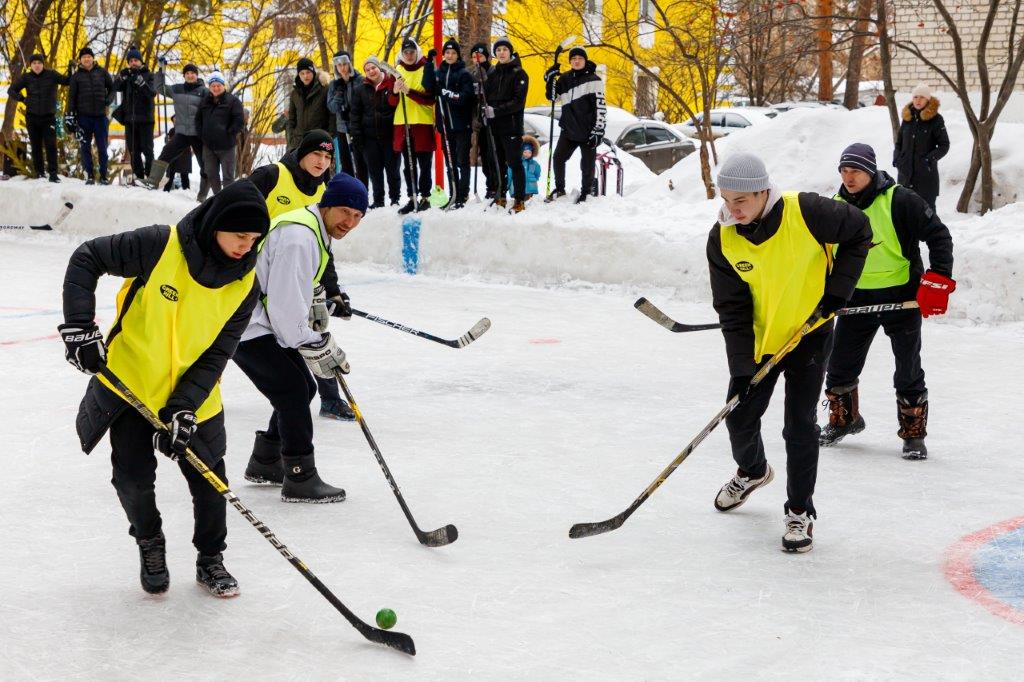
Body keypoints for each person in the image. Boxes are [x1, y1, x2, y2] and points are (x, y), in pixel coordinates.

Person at [58, 180, 270, 596]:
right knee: (132, 481)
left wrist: (185, 406)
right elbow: (87, 258)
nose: (247, 246)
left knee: (211, 483)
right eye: (240, 236)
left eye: (255, 239)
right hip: (131, 385)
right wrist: (79, 329)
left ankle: (211, 558)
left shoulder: (246, 284)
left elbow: (217, 353)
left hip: (198, 398)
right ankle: (149, 541)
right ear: (215, 228)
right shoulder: (160, 244)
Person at [706, 152, 872, 553]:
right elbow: (732, 309)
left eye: (741, 200)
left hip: (809, 335)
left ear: (764, 192)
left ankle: (800, 510)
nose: (733, 209)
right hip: (762, 341)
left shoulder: (808, 211)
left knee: (799, 427)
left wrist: (837, 292)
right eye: (726, 200)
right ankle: (753, 471)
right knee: (740, 418)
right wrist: (742, 368)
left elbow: (860, 231)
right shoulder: (722, 238)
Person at [233, 172, 368, 502]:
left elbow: (295, 286)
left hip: (261, 320)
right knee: (293, 391)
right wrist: (315, 343)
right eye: (345, 212)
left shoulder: (312, 228)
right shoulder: (299, 237)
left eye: (358, 216)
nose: (349, 222)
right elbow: (284, 310)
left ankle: (266, 462)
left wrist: (317, 298)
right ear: (328, 204)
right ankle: (300, 476)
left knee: (302, 388)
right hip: (246, 324)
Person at [821, 143, 955, 460]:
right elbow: (821, 255)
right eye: (843, 170)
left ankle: (913, 434)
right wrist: (823, 292)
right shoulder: (835, 206)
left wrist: (938, 278)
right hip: (856, 299)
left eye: (855, 170)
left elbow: (939, 235)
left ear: (870, 171)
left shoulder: (900, 199)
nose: (848, 177)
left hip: (902, 297)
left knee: (908, 369)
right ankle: (845, 420)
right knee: (839, 366)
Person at [248, 129, 357, 421]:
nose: (322, 162)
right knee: (238, 338)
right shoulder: (273, 176)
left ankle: (331, 399)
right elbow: (236, 206)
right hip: (257, 268)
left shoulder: (326, 192)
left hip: (296, 269)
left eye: (327, 157)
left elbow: (324, 248)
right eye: (316, 154)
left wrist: (331, 289)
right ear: (301, 154)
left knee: (313, 321)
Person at [544, 46, 606, 204]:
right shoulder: (564, 79)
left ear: (585, 60)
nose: (576, 61)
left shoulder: (594, 80)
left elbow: (600, 107)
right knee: (558, 158)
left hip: (588, 130)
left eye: (579, 58)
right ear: (570, 61)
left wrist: (598, 130)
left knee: (587, 164)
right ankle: (559, 189)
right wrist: (549, 79)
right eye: (573, 59)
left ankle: (586, 193)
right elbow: (552, 97)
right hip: (568, 129)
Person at [423, 39, 475, 209]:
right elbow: (428, 85)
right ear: (443, 55)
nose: (450, 55)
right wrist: (429, 65)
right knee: (450, 161)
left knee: (462, 160)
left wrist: (446, 93)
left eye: (453, 53)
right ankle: (454, 192)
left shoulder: (464, 74)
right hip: (445, 125)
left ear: (458, 55)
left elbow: (464, 97)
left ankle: (463, 193)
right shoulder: (439, 72)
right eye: (447, 53)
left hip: (461, 125)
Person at [7, 53, 71, 182]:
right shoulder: (26, 77)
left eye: (39, 63)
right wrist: (22, 99)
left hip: (49, 117)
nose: (37, 65)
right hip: (32, 117)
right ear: (31, 65)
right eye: (34, 63)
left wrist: (71, 70)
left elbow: (67, 81)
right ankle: (40, 173)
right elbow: (11, 90)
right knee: (36, 146)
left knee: (51, 145)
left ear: (43, 64)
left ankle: (53, 174)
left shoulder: (52, 75)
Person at [390, 38, 436, 214]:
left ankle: (425, 197)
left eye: (412, 52)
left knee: (424, 164)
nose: (409, 55)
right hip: (403, 122)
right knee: (408, 165)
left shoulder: (425, 68)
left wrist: (409, 92)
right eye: (406, 52)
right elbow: (391, 101)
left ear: (417, 52)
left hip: (421, 122)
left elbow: (430, 98)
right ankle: (412, 197)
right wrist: (395, 91)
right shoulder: (397, 70)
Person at [483, 37, 529, 212]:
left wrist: (497, 111)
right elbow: (487, 97)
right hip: (494, 126)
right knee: (497, 163)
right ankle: (500, 195)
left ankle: (519, 198)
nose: (501, 53)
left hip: (511, 126)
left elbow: (518, 101)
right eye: (498, 50)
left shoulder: (519, 73)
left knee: (514, 163)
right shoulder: (493, 74)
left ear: (510, 52)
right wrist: (485, 111)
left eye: (504, 49)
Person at [145, 63, 207, 193]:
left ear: (197, 75)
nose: (190, 75)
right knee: (166, 152)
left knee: (205, 164)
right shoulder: (177, 89)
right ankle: (152, 182)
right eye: (187, 73)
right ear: (184, 76)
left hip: (198, 134)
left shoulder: (204, 91)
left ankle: (203, 195)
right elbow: (160, 87)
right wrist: (161, 71)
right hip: (182, 133)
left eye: (193, 73)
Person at [350, 56, 402, 208]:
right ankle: (378, 200)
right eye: (367, 69)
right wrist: (357, 136)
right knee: (375, 172)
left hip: (389, 136)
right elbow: (355, 115)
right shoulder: (360, 89)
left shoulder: (390, 84)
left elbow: (395, 106)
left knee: (393, 170)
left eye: (373, 67)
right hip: (369, 139)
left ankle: (395, 199)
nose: (371, 71)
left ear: (379, 68)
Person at [894, 84, 949, 210]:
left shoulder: (936, 120)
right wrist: (897, 159)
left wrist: (928, 160)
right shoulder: (907, 118)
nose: (918, 100)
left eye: (922, 97)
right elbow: (899, 143)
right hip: (905, 176)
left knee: (927, 214)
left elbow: (944, 145)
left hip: (926, 177)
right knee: (906, 213)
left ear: (928, 100)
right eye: (915, 97)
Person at [67, 47, 114, 185]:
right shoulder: (76, 77)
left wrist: (109, 100)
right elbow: (71, 98)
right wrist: (70, 116)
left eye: (89, 56)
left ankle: (104, 176)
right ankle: (90, 176)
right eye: (83, 57)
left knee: (102, 148)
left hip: (100, 117)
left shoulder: (102, 72)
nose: (86, 59)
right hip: (83, 118)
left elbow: (112, 88)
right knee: (85, 147)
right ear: (80, 60)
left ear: (92, 58)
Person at [195, 71, 243, 199]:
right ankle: (218, 198)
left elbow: (239, 120)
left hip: (227, 146)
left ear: (223, 86)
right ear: (209, 87)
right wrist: (202, 134)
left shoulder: (233, 101)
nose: (216, 88)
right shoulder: (205, 101)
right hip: (209, 146)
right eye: (213, 86)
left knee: (228, 176)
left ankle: (228, 200)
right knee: (211, 174)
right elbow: (198, 120)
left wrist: (230, 132)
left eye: (218, 85)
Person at [113, 47, 156, 181]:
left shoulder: (149, 75)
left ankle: (150, 176)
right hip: (130, 119)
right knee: (133, 150)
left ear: (141, 61)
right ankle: (139, 176)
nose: (133, 63)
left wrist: (141, 82)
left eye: (136, 60)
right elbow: (115, 88)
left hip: (145, 119)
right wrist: (121, 78)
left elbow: (152, 94)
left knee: (147, 150)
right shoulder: (127, 75)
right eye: (131, 60)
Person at [327, 50, 368, 185]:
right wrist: (338, 95)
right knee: (346, 163)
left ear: (349, 64)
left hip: (358, 127)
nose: (342, 68)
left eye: (345, 64)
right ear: (336, 67)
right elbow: (332, 107)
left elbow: (364, 104)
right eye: (339, 66)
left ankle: (363, 190)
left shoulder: (359, 80)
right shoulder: (334, 84)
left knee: (360, 161)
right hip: (342, 128)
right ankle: (350, 190)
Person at [468, 42, 497, 200]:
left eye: (480, 56)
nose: (477, 59)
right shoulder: (473, 74)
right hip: (481, 121)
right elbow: (472, 100)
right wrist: (475, 118)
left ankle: (497, 185)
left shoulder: (494, 72)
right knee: (485, 157)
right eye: (474, 57)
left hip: (494, 120)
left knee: (494, 156)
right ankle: (490, 187)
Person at [286, 58, 332, 152]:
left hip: (319, 141)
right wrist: (291, 138)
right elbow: (291, 119)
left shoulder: (324, 90)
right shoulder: (295, 93)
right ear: (298, 75)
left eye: (308, 72)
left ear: (313, 72)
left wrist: (328, 137)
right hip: (298, 143)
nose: (305, 76)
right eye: (302, 73)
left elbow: (332, 116)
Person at [162, 115, 192, 192]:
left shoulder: (185, 130)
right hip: (174, 155)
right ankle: (166, 190)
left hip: (184, 155)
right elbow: (169, 141)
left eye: (176, 120)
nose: (175, 121)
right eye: (174, 120)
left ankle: (187, 191)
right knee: (171, 174)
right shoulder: (172, 130)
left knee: (184, 175)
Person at [508, 135, 541, 200]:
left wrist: (532, 179)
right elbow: (510, 174)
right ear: (521, 152)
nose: (527, 154)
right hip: (517, 190)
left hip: (531, 190)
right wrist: (508, 185)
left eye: (529, 152)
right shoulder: (516, 163)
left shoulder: (534, 164)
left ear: (532, 152)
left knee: (529, 204)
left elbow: (537, 174)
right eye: (525, 152)